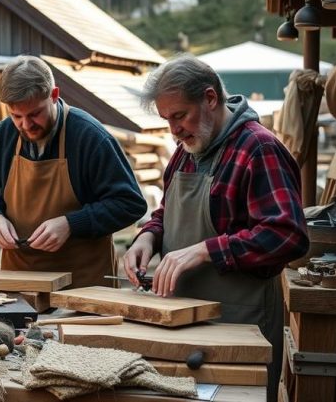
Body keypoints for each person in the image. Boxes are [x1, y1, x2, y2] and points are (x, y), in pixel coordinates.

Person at [122, 54, 308, 400]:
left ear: (210, 98)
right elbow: (168, 210)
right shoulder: (186, 149)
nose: (174, 130)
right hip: (183, 317)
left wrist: (208, 249)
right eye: (167, 119)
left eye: (180, 116)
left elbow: (288, 235)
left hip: (240, 323)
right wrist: (148, 235)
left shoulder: (258, 148)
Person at [0, 55, 146, 288]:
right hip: (21, 280)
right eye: (16, 116)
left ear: (54, 95)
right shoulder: (4, 134)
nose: (26, 125)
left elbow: (130, 203)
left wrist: (72, 224)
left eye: (34, 114)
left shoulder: (90, 136)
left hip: (84, 283)